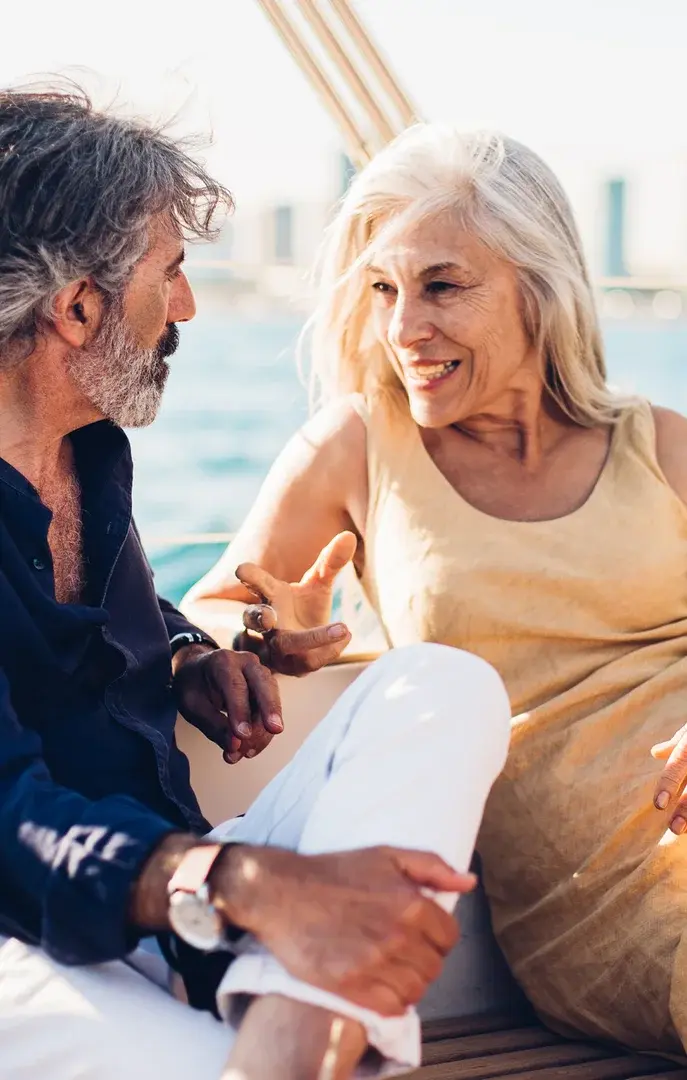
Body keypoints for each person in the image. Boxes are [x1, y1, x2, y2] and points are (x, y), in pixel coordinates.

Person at [0, 89, 512, 1080]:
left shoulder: (88, 454)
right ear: (76, 309)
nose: (186, 306)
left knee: (447, 688)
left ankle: (277, 1048)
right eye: (172, 271)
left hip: (164, 898)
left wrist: (193, 656)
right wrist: (240, 882)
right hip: (27, 935)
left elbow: (86, 619)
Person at [186, 123, 687, 1058]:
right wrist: (260, 631)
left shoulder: (657, 445)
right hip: (610, 908)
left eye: (442, 286)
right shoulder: (358, 447)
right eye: (382, 289)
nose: (403, 328)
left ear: (541, 289)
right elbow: (205, 613)